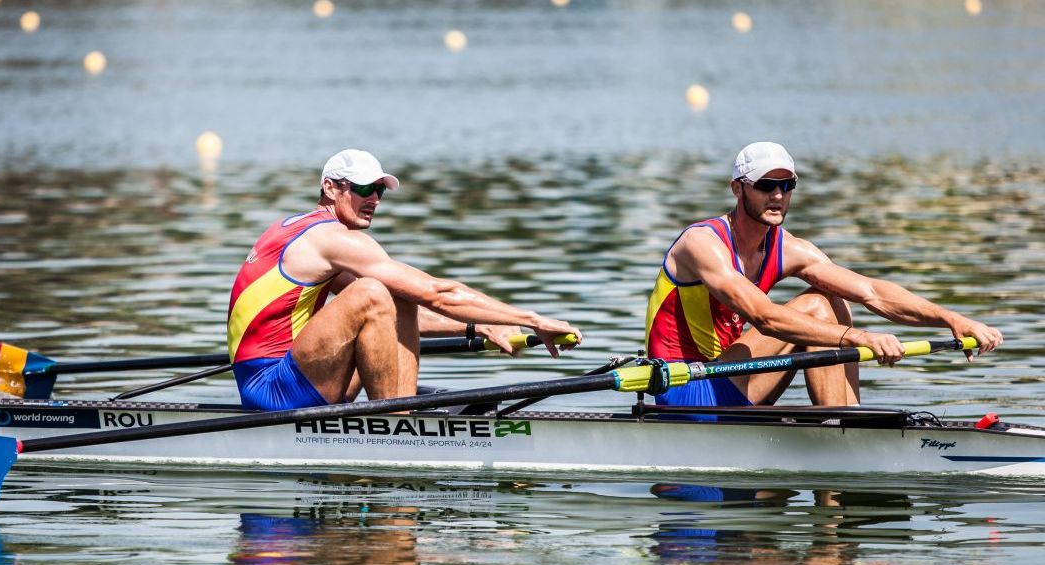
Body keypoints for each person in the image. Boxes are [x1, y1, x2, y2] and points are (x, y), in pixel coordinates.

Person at [644, 141, 1001, 407]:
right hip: (684, 389)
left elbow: (872, 292)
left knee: (832, 296)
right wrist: (859, 338)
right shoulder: (702, 243)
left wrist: (950, 318)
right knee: (816, 306)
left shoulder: (790, 249)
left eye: (787, 186)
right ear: (738, 188)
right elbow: (765, 318)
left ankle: (846, 419)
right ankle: (841, 431)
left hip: (729, 383)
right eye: (767, 185)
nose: (778, 196)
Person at [227, 149, 581, 411]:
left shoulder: (298, 230)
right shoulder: (331, 239)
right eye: (364, 189)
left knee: (395, 293)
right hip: (271, 390)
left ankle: (400, 412)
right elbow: (439, 293)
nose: (374, 200)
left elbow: (397, 310)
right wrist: (532, 319)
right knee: (373, 291)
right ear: (331, 188)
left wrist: (481, 328)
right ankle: (397, 421)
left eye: (380, 191)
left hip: (284, 376)